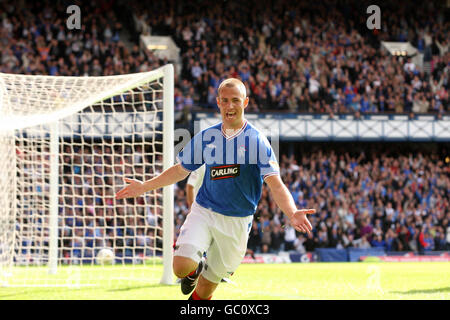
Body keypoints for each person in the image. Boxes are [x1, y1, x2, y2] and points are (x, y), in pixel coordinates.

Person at [115, 78, 315, 300]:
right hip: (205, 211)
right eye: (225, 101)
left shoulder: (257, 141)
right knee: (180, 267)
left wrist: (292, 211)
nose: (230, 106)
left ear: (245, 102)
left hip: (237, 222)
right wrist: (145, 186)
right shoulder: (207, 137)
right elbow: (180, 170)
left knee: (205, 291)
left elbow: (276, 184)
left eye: (236, 100)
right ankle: (195, 268)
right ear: (218, 102)